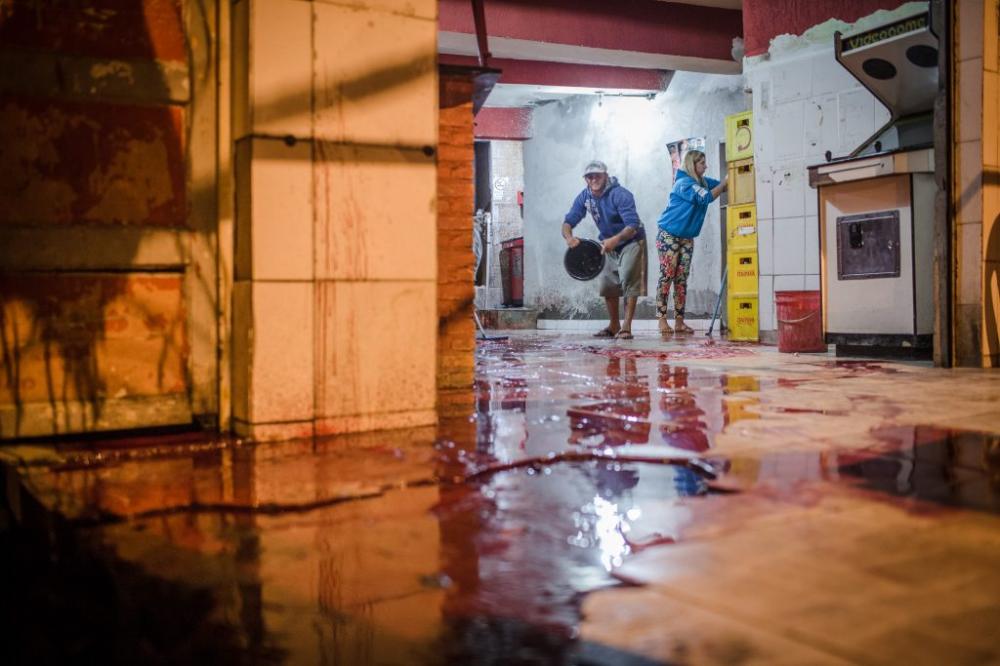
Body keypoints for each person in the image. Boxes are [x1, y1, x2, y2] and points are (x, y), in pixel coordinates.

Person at [562, 161, 647, 340]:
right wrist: (569, 238)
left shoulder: (621, 195)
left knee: (630, 280)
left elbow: (632, 224)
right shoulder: (585, 196)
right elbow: (569, 220)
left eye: (597, 175)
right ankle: (614, 325)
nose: (593, 179)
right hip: (607, 243)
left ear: (605, 175)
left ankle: (626, 327)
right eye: (589, 176)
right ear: (585, 179)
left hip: (631, 240)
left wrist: (615, 240)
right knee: (608, 285)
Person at [654, 150, 727, 335]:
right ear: (692, 165)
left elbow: (720, 187)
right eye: (702, 163)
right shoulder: (684, 183)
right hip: (668, 234)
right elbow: (706, 197)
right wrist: (726, 182)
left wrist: (733, 176)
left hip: (687, 237)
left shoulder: (701, 181)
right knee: (667, 275)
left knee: (681, 279)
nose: (706, 166)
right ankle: (661, 320)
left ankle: (679, 322)